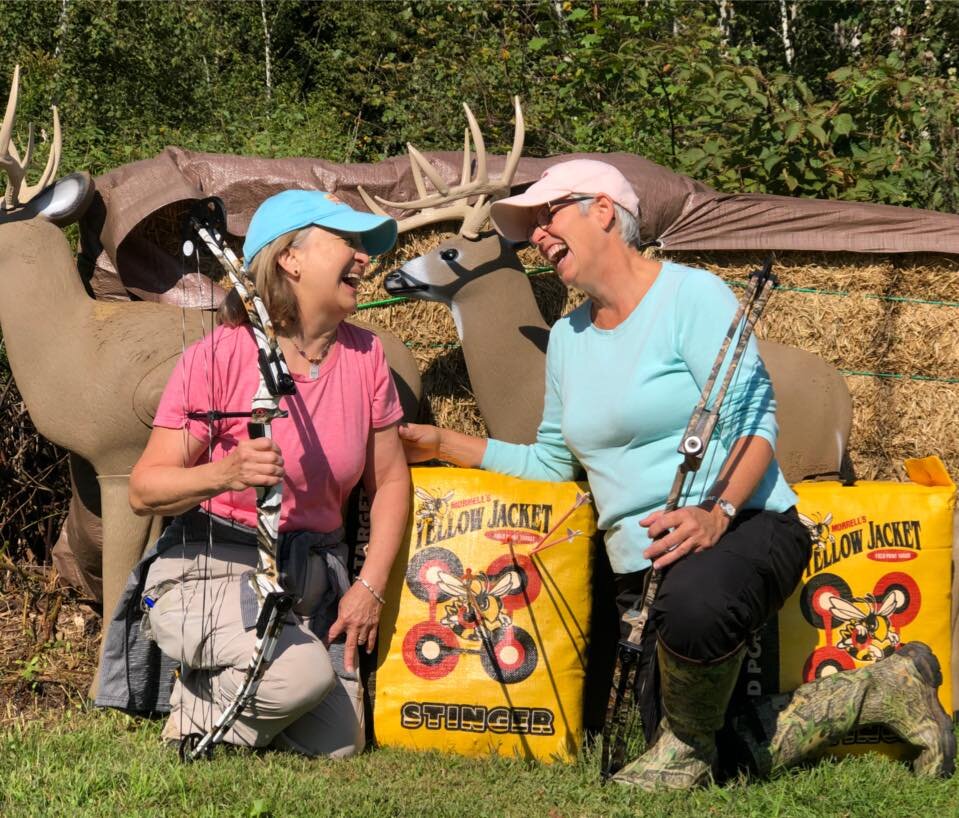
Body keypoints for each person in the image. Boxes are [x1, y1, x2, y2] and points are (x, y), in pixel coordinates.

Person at [398, 160, 955, 788]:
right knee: (697, 737)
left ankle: (685, 748)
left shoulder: (692, 296)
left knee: (696, 611)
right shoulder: (567, 340)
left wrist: (714, 512)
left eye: (547, 215)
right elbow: (551, 462)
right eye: (529, 227)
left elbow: (755, 421)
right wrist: (441, 441)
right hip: (643, 570)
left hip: (744, 526)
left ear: (602, 210)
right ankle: (885, 690)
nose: (536, 236)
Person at [97, 190, 410, 758]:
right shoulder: (220, 354)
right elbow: (145, 489)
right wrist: (226, 472)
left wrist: (370, 586)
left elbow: (389, 482)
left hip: (303, 581)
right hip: (201, 577)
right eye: (348, 243)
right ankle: (198, 734)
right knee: (304, 678)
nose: (365, 258)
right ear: (291, 259)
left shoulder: (368, 357)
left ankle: (214, 694)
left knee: (340, 745)